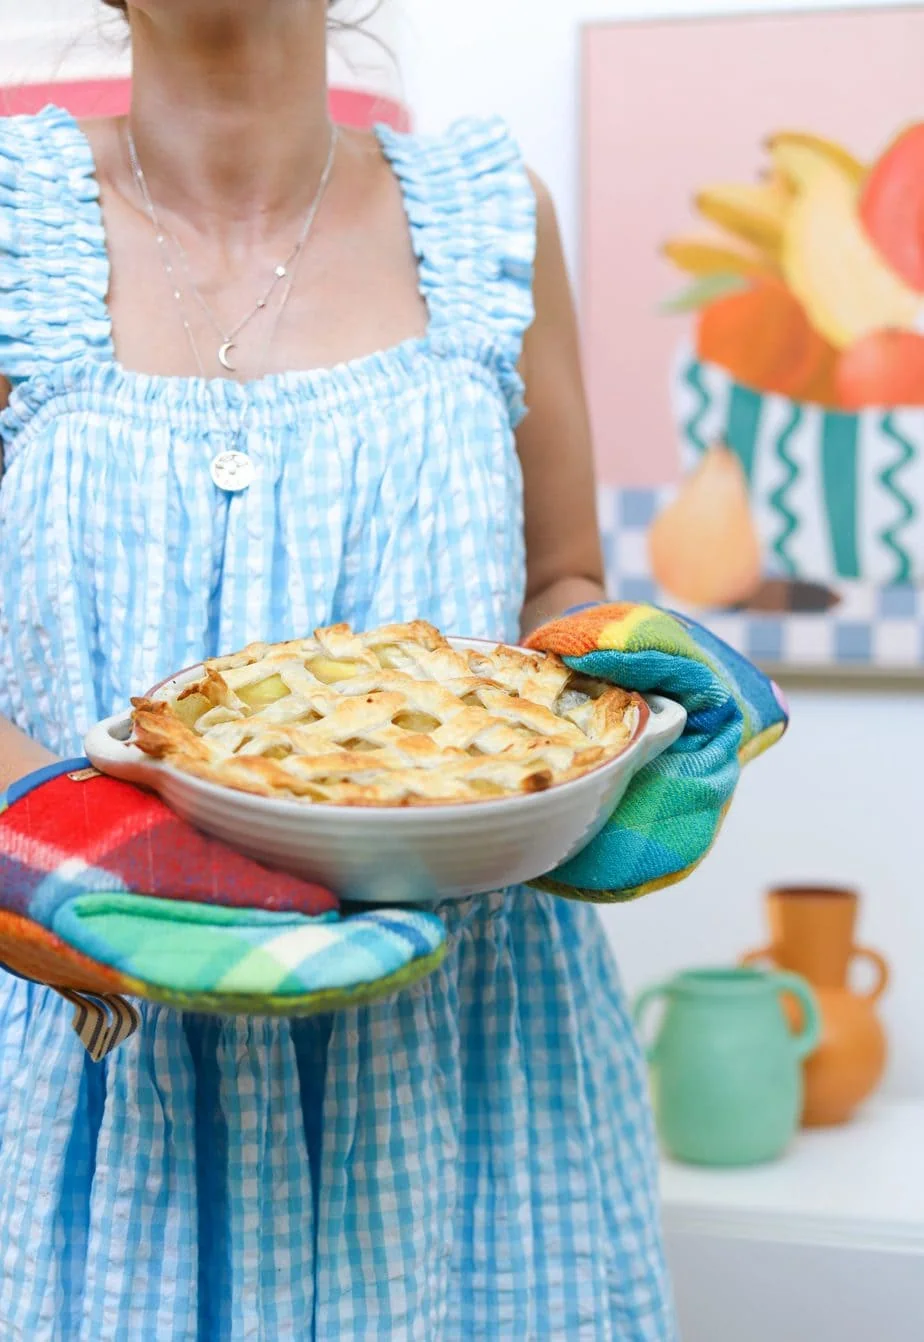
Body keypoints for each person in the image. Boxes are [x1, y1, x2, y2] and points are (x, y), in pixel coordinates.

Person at [0, 1, 676, 1337]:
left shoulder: (494, 221)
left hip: (467, 1051)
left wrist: (629, 710)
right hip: (110, 1044)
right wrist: (80, 870)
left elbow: (561, 588)